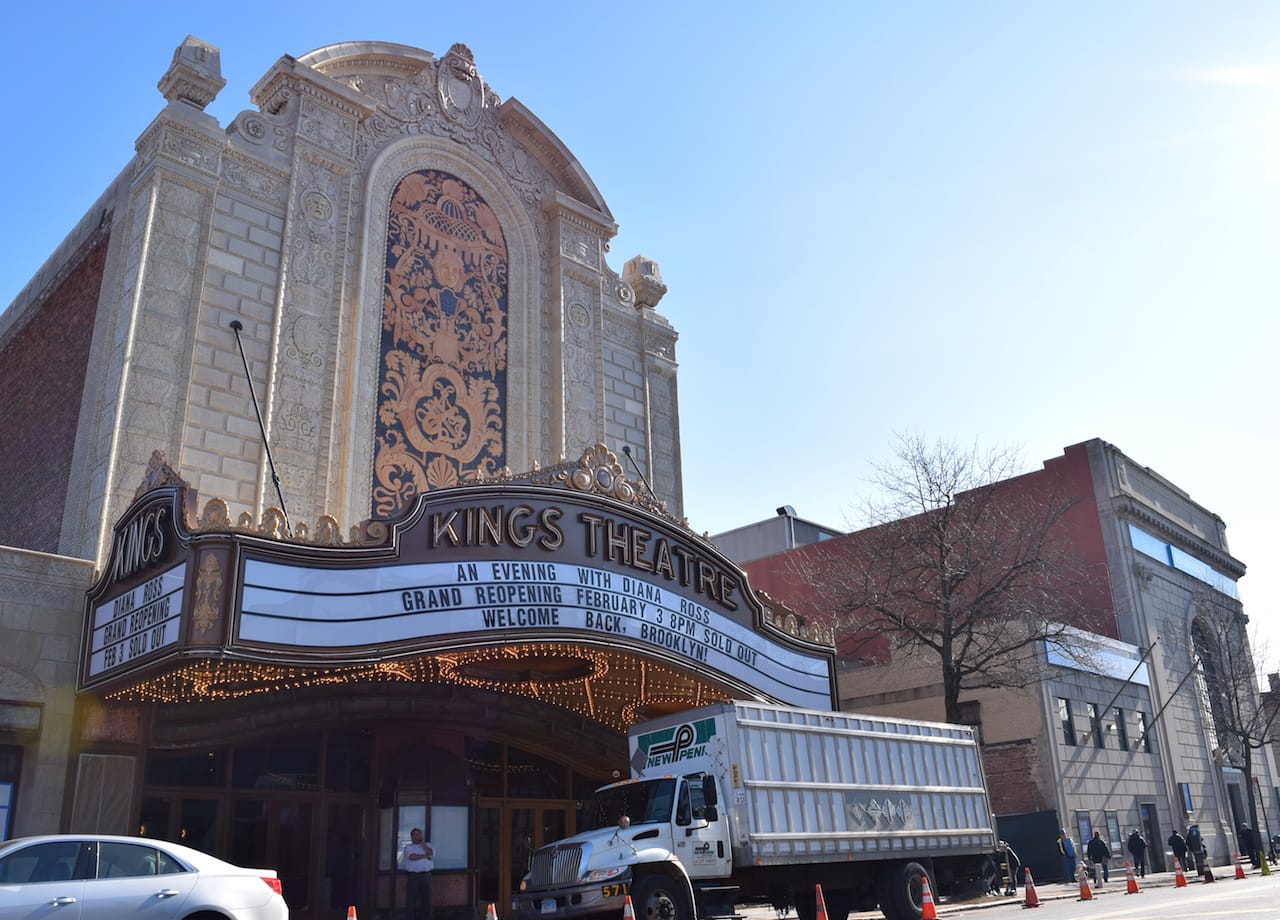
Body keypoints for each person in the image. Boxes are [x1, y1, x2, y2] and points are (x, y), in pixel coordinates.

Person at [401, 827, 435, 920]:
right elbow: (412, 857)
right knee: (411, 899)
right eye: (414, 835)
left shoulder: (428, 845)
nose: (416, 836)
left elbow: (431, 853)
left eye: (418, 834)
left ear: (421, 836)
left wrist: (424, 845)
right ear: (411, 837)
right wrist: (425, 855)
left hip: (426, 875)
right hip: (414, 876)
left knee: (427, 899)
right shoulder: (409, 847)